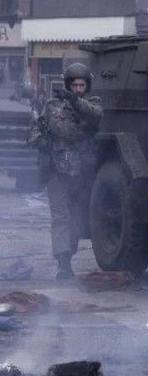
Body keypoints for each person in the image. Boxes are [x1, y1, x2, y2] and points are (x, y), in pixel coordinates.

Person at [27, 63, 102, 280]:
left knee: (77, 218)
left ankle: (68, 253)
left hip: (81, 172)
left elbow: (95, 116)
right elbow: (35, 129)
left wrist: (74, 100)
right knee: (61, 216)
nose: (78, 88)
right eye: (74, 85)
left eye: (82, 85)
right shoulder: (52, 105)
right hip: (56, 169)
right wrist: (41, 141)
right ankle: (63, 262)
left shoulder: (92, 103)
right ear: (68, 84)